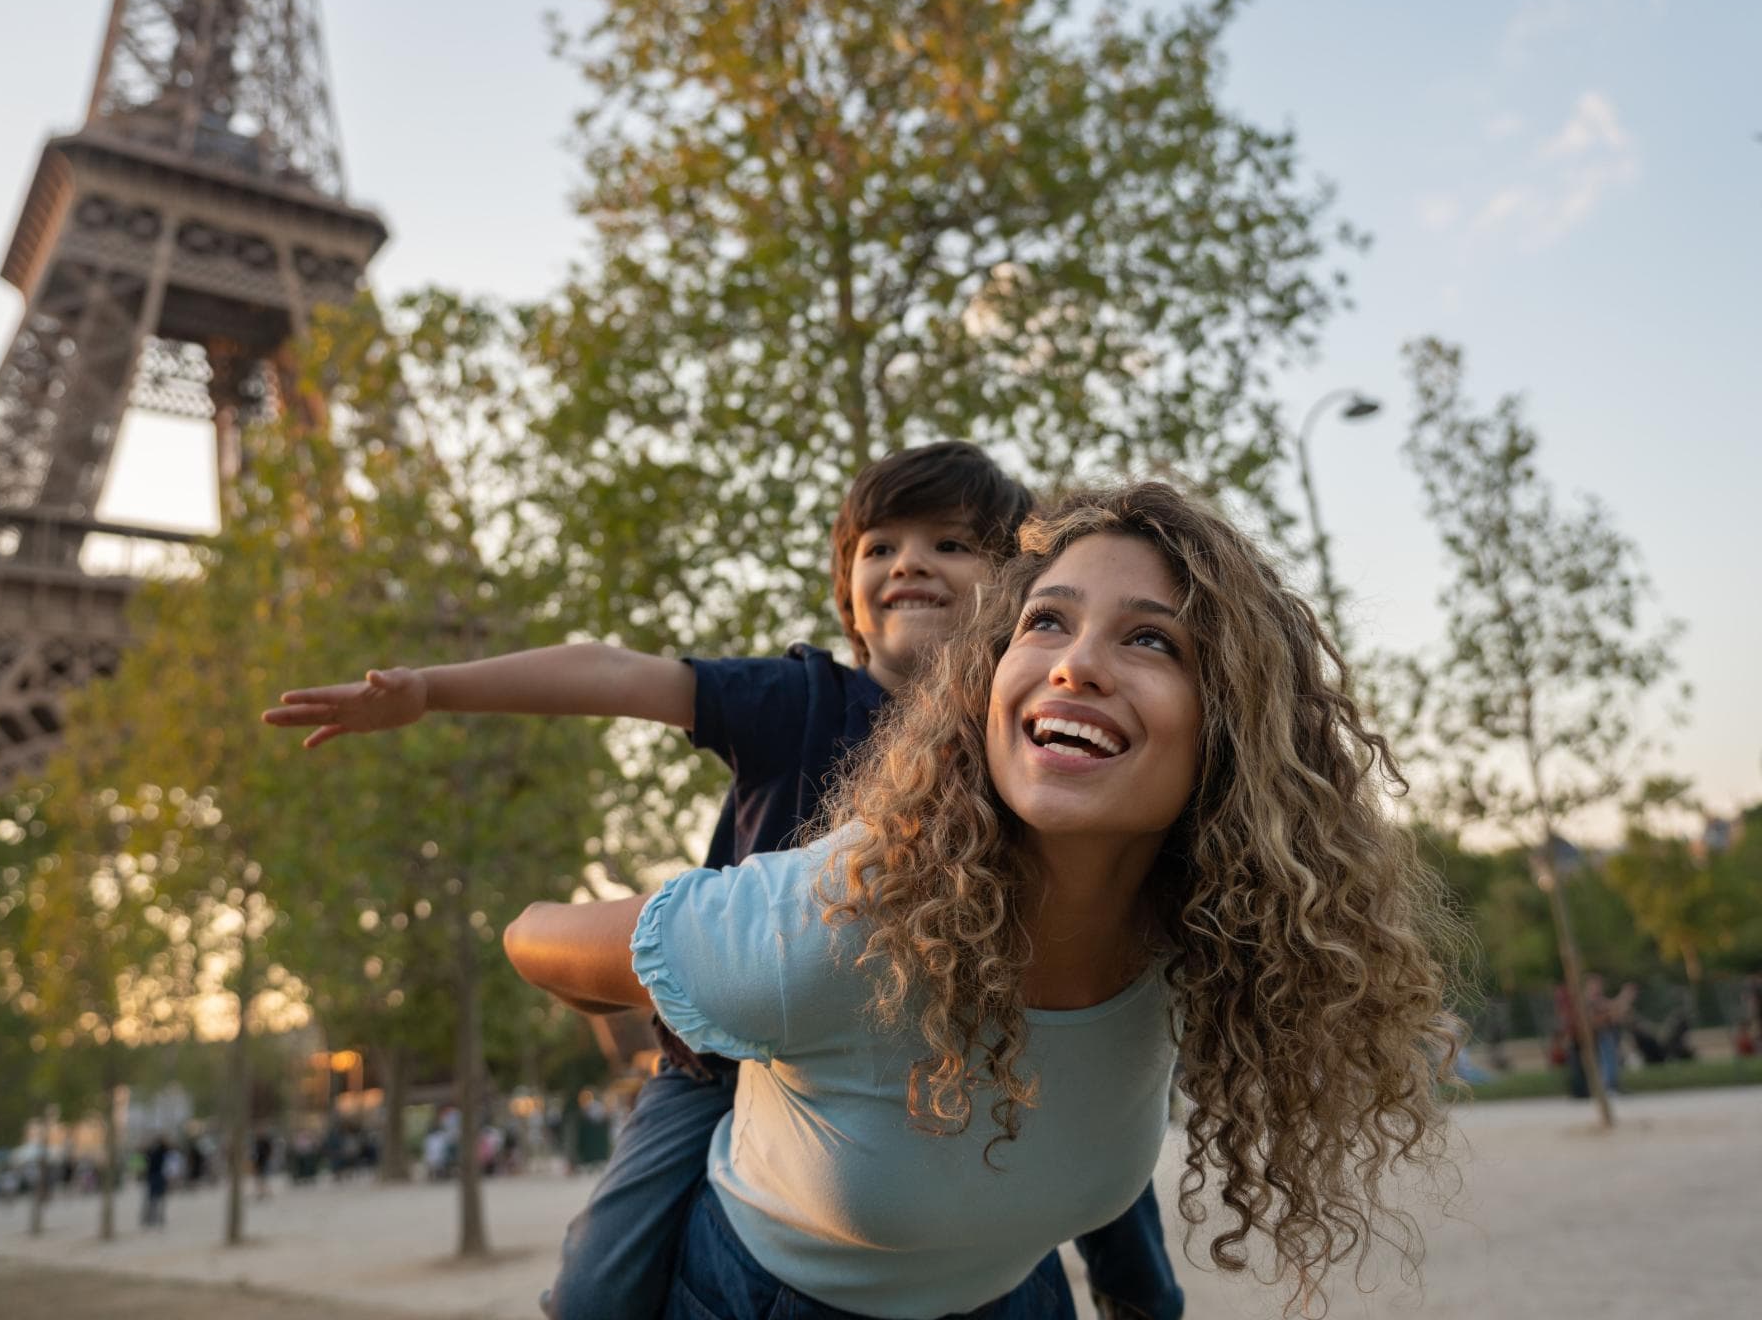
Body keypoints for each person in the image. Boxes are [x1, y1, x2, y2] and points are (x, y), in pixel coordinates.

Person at [265, 444, 1185, 1320]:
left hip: (963, 1023)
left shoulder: (1027, 735)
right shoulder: (797, 700)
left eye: (950, 544)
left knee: (1103, 1162)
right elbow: (616, 672)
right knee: (594, 1292)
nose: (911, 563)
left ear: (1013, 600)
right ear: (846, 599)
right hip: (726, 1051)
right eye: (880, 547)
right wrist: (432, 690)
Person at [506, 481, 1462, 1318]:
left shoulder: (1219, 936)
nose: (1075, 663)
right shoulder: (836, 922)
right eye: (1045, 620)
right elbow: (531, 939)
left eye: (1151, 639)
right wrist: (688, 1007)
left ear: (1236, 733)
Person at [141, 1135, 170, 1228]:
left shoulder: (159, 1152)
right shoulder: (156, 1152)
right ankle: (153, 1217)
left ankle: (154, 1217)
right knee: (154, 1199)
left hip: (156, 1176)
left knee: (154, 1199)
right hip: (156, 1176)